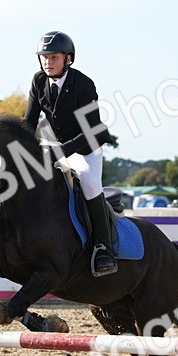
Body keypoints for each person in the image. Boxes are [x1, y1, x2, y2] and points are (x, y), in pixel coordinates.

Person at [23, 30, 117, 277]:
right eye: (44, 57)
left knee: (89, 184)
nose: (48, 62)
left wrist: (60, 152)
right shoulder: (38, 81)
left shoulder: (84, 85)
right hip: (53, 144)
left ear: (69, 58)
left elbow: (91, 131)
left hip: (85, 148)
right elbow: (29, 123)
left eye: (54, 57)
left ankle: (103, 248)